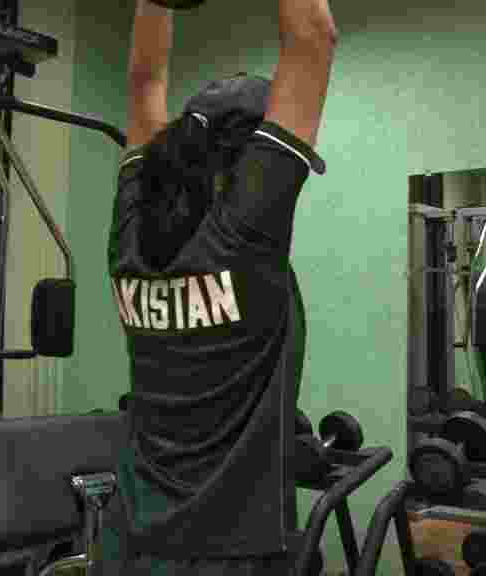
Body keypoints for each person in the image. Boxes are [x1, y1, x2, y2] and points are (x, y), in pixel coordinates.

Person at [103, 0, 337, 574]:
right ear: (243, 167)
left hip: (131, 542)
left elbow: (144, 80)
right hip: (228, 556)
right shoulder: (242, 242)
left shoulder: (132, 242)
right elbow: (312, 36)